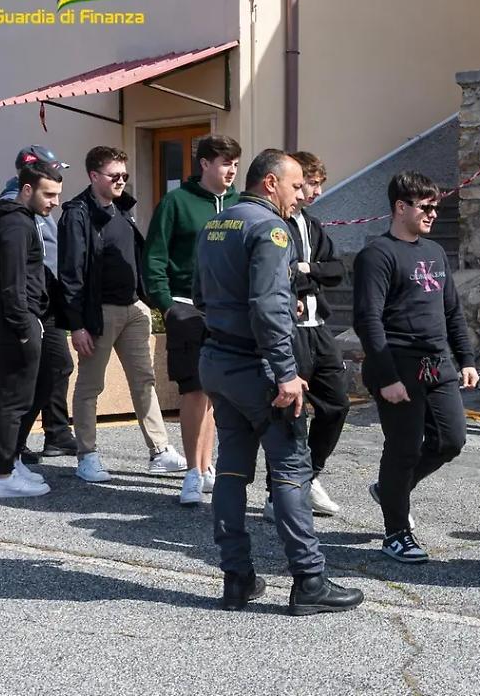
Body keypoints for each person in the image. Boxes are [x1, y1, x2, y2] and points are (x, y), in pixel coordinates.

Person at [194, 148, 363, 615]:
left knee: (231, 469)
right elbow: (270, 306)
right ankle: (309, 581)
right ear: (270, 183)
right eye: (294, 186)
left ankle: (237, 579)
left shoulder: (217, 222)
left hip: (217, 361)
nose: (298, 196)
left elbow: (201, 293)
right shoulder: (270, 228)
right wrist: (286, 372)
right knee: (290, 470)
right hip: (258, 368)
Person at [353, 170, 478, 564]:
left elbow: (452, 312)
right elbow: (367, 320)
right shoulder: (377, 254)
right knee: (403, 449)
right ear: (400, 207)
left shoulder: (435, 253)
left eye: (436, 207)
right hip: (398, 366)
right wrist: (387, 377)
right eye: (426, 207)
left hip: (437, 363)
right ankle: (397, 532)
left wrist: (467, 359)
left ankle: (391, 490)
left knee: (450, 441)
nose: (433, 214)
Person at [58, 146, 185, 484]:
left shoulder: (123, 209)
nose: (121, 181)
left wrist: (145, 300)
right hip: (99, 313)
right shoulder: (77, 214)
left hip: (133, 309)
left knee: (145, 382)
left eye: (124, 176)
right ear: (93, 176)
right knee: (90, 386)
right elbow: (70, 273)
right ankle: (87, 455)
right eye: (114, 176)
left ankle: (159, 450)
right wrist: (77, 324)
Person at [143, 135, 241, 505]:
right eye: (223, 162)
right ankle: (192, 473)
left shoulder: (240, 205)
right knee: (194, 390)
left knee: (215, 392)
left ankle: (207, 466)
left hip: (227, 310)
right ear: (203, 164)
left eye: (234, 163)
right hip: (187, 307)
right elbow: (154, 259)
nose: (230, 170)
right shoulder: (176, 202)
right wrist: (168, 305)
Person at [0, 162, 63, 498]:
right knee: (14, 399)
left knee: (23, 394)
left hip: (17, 317)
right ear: (27, 190)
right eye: (48, 194)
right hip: (14, 319)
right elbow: (13, 285)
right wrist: (25, 328)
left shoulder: (22, 220)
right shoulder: (15, 224)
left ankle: (8, 466)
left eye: (58, 194)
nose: (54, 201)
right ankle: (1, 475)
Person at [0, 146, 79, 461]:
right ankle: (9, 453)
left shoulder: (38, 206)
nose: (56, 195)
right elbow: (17, 269)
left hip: (47, 302)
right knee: (26, 380)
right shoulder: (14, 208)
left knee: (56, 367)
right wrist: (21, 320)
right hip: (30, 306)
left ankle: (52, 435)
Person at [283, 151, 349, 515]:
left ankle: (310, 474)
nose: (317, 191)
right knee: (291, 410)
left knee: (336, 403)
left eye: (320, 184)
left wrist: (307, 268)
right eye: (311, 183)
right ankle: (283, 489)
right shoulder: (275, 223)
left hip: (317, 326)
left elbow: (337, 270)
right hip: (289, 329)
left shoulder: (312, 223)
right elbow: (284, 272)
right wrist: (306, 271)